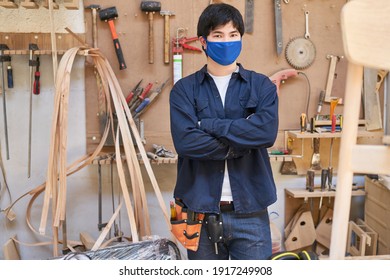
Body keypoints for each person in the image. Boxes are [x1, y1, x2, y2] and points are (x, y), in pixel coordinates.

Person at [169, 3, 279, 260]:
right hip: (199, 211)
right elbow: (186, 142)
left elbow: (265, 134)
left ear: (241, 39)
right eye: (218, 35)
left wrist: (208, 125)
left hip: (251, 212)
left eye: (233, 35)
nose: (226, 41)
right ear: (203, 41)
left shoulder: (261, 86)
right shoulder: (184, 90)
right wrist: (240, 142)